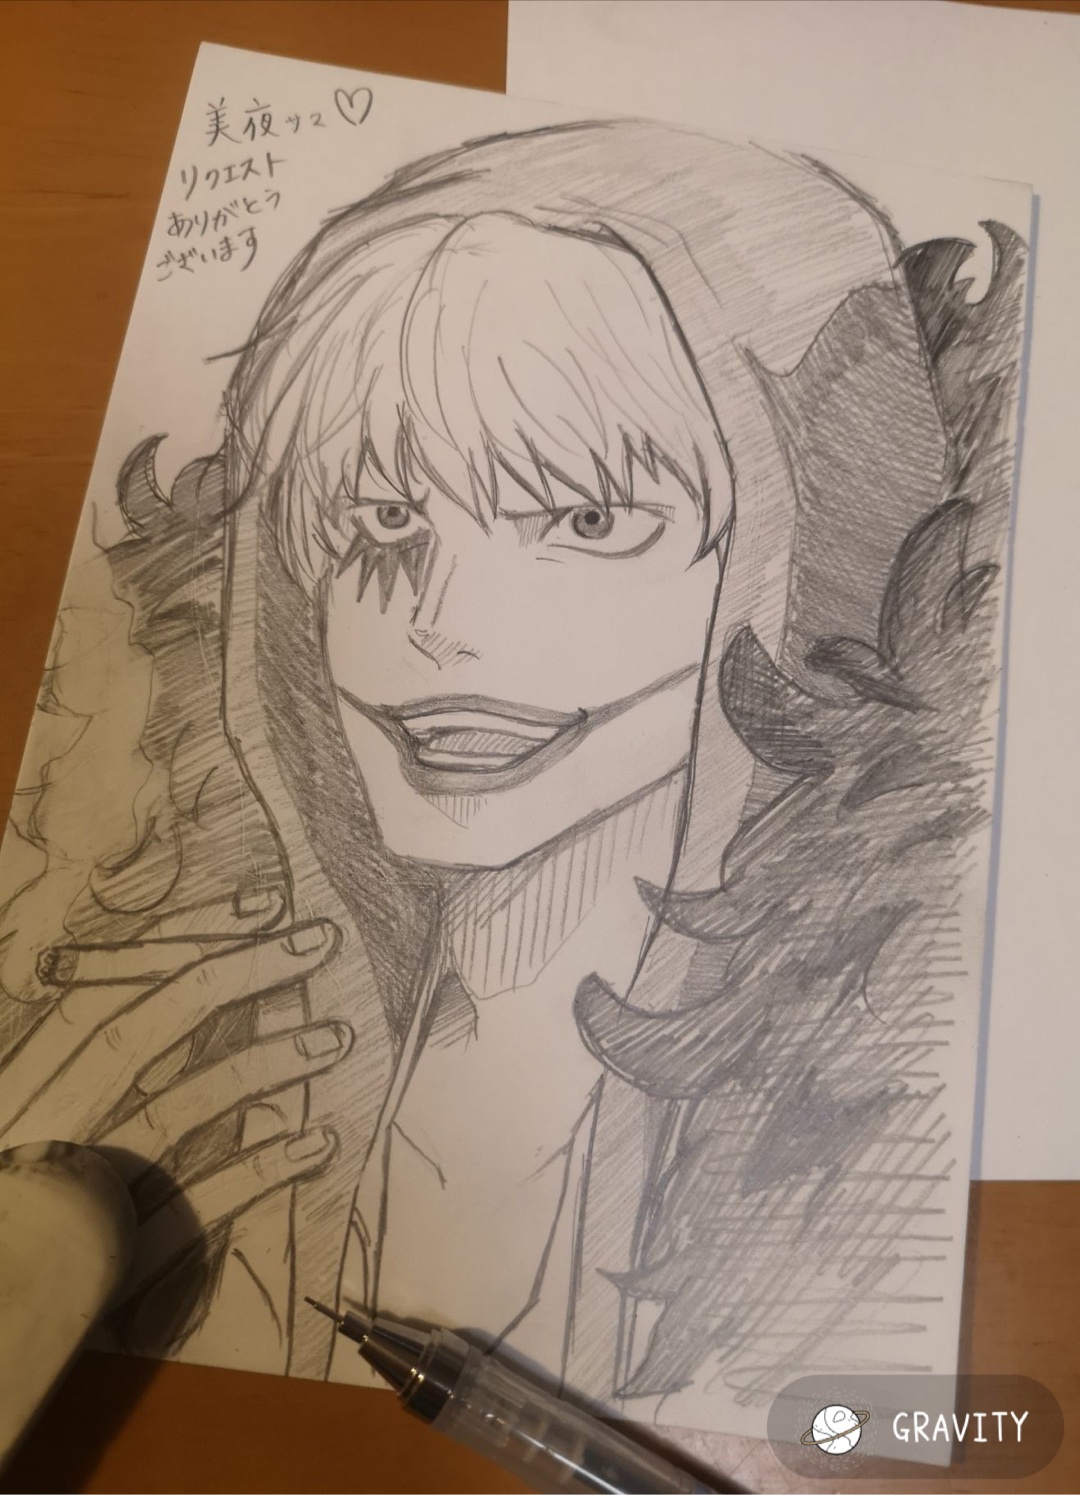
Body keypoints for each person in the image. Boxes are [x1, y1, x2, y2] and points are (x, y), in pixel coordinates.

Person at [0, 122, 1021, 1417]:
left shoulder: (861, 1140)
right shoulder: (220, 1055)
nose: (436, 622)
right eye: (382, 516)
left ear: (805, 541)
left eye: (588, 519)